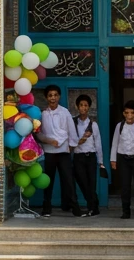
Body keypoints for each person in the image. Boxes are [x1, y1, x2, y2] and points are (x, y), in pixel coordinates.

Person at [38, 84, 81, 218]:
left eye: (55, 95)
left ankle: (75, 207)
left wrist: (71, 146)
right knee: (48, 180)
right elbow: (39, 133)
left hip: (63, 152)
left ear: (59, 97)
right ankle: (46, 207)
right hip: (49, 152)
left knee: (68, 179)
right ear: (46, 97)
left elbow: (71, 130)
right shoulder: (43, 114)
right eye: (50, 95)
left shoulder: (65, 112)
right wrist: (49, 141)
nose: (53, 98)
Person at [109, 100, 134, 220]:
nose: (129, 115)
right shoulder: (119, 126)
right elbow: (115, 143)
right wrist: (113, 160)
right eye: (127, 113)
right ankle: (126, 210)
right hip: (123, 158)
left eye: (132, 113)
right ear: (124, 113)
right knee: (125, 186)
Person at [72, 94, 104, 217]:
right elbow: (69, 139)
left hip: (90, 156)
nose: (83, 108)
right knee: (82, 182)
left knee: (91, 184)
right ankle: (93, 204)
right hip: (78, 156)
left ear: (89, 107)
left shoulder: (93, 125)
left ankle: (93, 208)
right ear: (77, 107)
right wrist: (77, 142)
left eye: (86, 105)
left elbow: (98, 143)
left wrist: (100, 161)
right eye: (81, 105)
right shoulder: (73, 122)